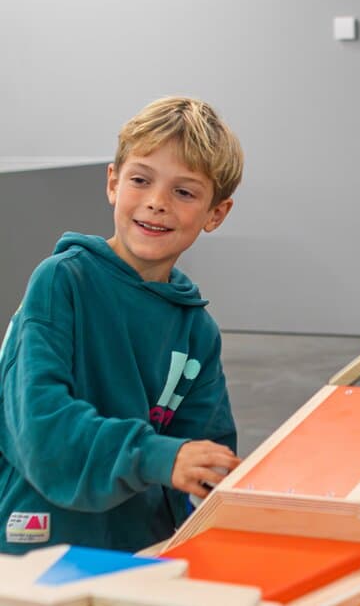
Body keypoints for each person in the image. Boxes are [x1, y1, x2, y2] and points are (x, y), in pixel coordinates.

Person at [0, 96, 244, 554]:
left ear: (216, 213)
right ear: (113, 183)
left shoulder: (197, 331)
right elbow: (41, 428)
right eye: (140, 180)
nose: (156, 203)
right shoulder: (61, 282)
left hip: (141, 554)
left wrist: (213, 481)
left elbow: (204, 455)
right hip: (37, 551)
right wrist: (157, 456)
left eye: (184, 192)